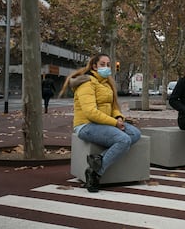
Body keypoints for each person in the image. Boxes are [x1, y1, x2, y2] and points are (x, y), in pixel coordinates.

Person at [59, 53, 141, 192]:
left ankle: (97, 160)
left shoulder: (107, 84)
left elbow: (114, 106)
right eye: (102, 64)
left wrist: (118, 118)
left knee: (135, 133)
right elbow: (90, 112)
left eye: (108, 64)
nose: (106, 67)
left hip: (105, 123)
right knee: (123, 140)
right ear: (94, 66)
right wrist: (115, 124)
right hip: (86, 125)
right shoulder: (87, 83)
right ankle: (95, 173)